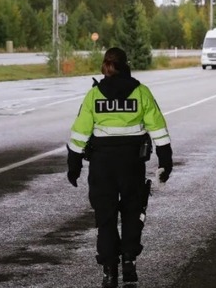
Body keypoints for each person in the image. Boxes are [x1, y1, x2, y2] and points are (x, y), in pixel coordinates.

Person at [66, 47, 174, 288]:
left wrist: (74, 165)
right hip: (131, 163)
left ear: (105, 67)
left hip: (102, 164)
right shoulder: (141, 93)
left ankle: (109, 269)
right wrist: (165, 160)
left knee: (105, 217)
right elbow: (158, 128)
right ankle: (128, 261)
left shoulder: (94, 95)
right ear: (126, 65)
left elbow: (80, 133)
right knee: (131, 212)